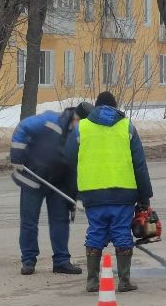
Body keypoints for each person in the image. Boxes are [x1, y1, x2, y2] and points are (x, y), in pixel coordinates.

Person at [64, 90, 154, 293]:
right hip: (124, 192)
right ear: (115, 107)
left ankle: (92, 282)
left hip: (92, 192)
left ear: (95, 107)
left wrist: (74, 190)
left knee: (95, 232)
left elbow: (68, 159)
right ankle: (124, 281)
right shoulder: (127, 126)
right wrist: (144, 196)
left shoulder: (81, 128)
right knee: (122, 233)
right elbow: (139, 164)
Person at [10, 102, 90, 275]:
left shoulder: (83, 135)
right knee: (29, 221)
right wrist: (17, 156)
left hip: (59, 183)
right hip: (33, 178)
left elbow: (80, 166)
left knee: (60, 220)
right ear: (76, 118)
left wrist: (78, 195)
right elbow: (23, 127)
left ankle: (61, 261)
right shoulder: (49, 120)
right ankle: (28, 260)